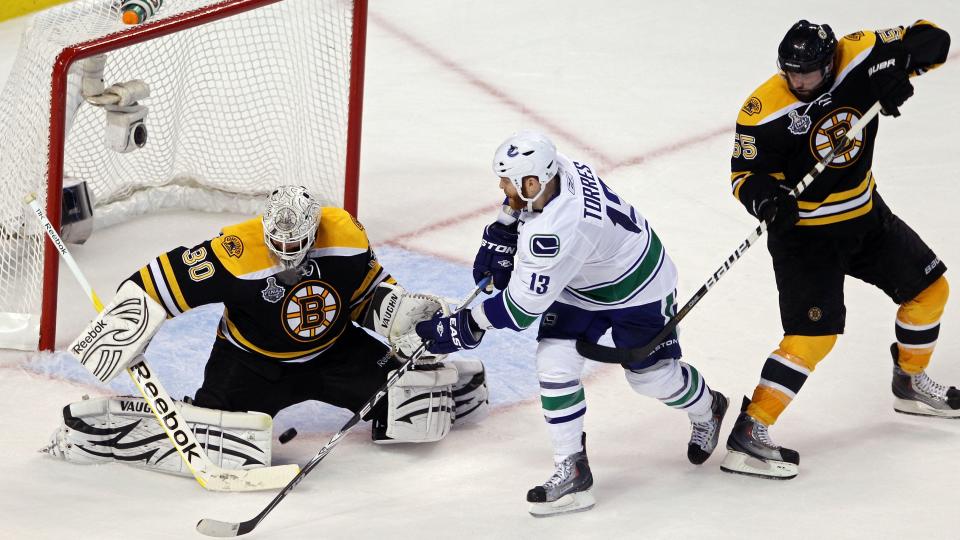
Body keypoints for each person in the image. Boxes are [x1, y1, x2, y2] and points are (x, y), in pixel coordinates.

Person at [45, 185, 489, 477]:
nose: (288, 254)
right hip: (251, 364)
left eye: (298, 245)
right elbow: (163, 281)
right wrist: (125, 322)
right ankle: (115, 431)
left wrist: (397, 314)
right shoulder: (235, 251)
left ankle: (446, 388)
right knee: (221, 448)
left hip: (336, 352)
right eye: (280, 245)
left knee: (415, 412)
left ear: (315, 230)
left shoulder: (346, 234)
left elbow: (364, 293)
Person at [414, 131, 729, 516]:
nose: (501, 187)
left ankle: (708, 408)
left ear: (533, 182)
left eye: (508, 183)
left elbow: (519, 310)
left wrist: (465, 326)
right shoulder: (554, 167)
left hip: (640, 285)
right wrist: (503, 228)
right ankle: (573, 469)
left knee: (651, 377)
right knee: (554, 362)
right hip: (583, 277)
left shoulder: (555, 231)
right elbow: (521, 202)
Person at [722, 19, 954, 480]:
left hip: (866, 217)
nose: (799, 81)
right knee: (814, 336)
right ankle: (752, 430)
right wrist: (766, 200)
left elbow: (933, 39)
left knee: (931, 291)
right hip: (805, 237)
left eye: (808, 73)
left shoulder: (860, 53)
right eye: (791, 73)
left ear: (830, 63)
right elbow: (743, 176)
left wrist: (897, 72)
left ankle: (908, 384)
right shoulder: (761, 110)